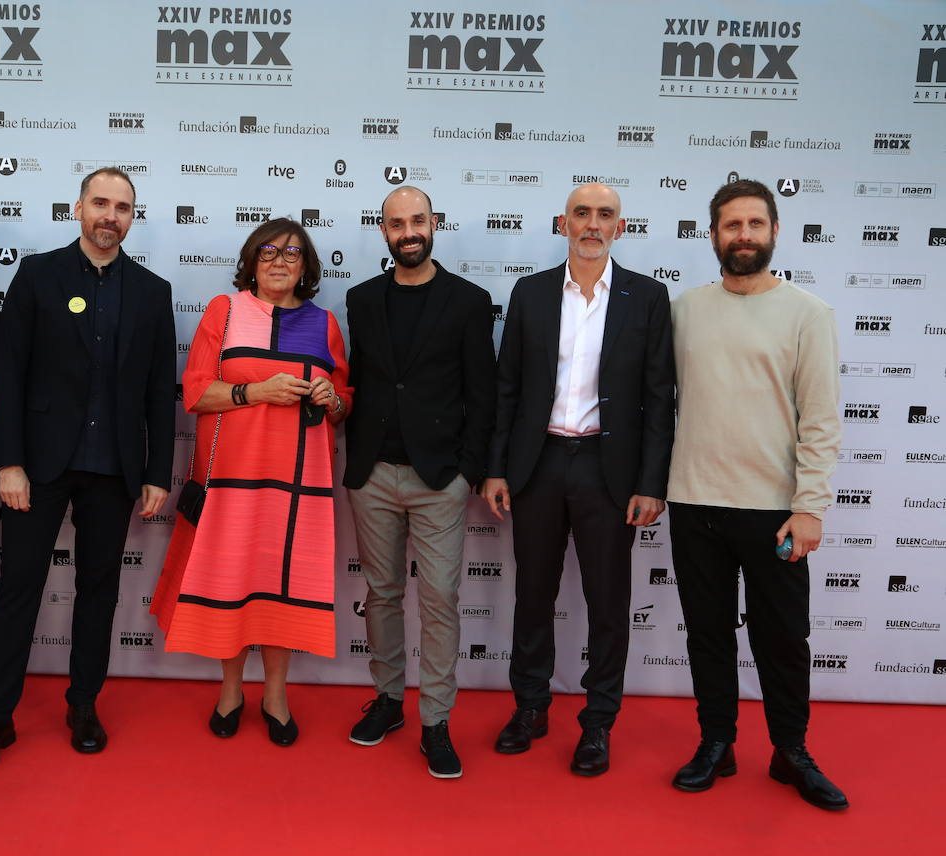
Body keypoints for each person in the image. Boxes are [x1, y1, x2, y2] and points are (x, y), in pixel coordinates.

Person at [0, 167, 175, 771]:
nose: (110, 215)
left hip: (114, 470)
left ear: (133, 217)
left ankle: (83, 704)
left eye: (123, 207)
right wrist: (11, 463)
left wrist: (160, 472)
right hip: (39, 469)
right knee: (18, 589)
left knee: (99, 592)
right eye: (100, 203)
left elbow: (161, 392)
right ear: (78, 208)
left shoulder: (153, 292)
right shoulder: (37, 275)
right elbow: (11, 376)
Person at [483, 182, 674, 777]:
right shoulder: (531, 292)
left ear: (622, 226)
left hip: (608, 470)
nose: (593, 224)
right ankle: (531, 708)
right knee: (533, 595)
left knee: (608, 603)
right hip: (537, 464)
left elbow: (658, 399)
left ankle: (597, 723)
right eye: (582, 213)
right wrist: (496, 466)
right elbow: (507, 388)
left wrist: (652, 482)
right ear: (561, 223)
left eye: (605, 215)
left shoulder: (647, 297)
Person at [668, 179, 846, 811]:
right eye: (731, 225)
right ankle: (716, 743)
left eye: (754, 224)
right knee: (707, 635)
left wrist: (809, 506)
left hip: (775, 512)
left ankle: (790, 752)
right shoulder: (684, 309)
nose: (743, 235)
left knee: (781, 638)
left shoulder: (808, 314)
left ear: (774, 231)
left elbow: (821, 419)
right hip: (693, 503)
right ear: (712, 235)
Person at [150, 218, 350, 747]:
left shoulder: (325, 322)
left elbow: (343, 401)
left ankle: (277, 694)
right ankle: (232, 690)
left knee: (284, 586)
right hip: (232, 480)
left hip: (299, 484)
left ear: (306, 266)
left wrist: (333, 400)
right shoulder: (226, 310)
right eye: (268, 252)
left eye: (292, 253)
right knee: (232, 581)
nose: (280, 261)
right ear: (250, 261)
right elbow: (196, 392)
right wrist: (257, 392)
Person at [342, 187, 495, 779]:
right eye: (396, 222)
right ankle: (387, 700)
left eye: (418, 220)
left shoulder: (469, 301)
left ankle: (436, 719)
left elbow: (483, 394)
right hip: (373, 473)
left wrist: (467, 472)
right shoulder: (360, 299)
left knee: (438, 599)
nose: (408, 230)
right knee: (381, 594)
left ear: (435, 225)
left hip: (440, 480)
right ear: (383, 231)